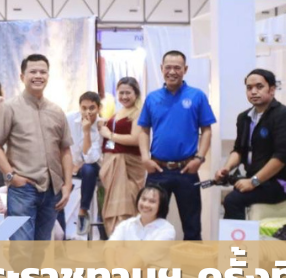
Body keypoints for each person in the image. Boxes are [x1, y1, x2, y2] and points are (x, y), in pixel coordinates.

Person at [0, 54, 73, 241]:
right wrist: (11, 176)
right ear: (22, 76)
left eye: (43, 72)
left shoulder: (57, 111)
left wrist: (67, 185)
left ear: (48, 76)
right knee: (21, 249)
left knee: (40, 249)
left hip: (52, 190)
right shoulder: (9, 108)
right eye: (33, 72)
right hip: (23, 189)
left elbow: (65, 150)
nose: (38, 76)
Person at [138, 50, 215, 241]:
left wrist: (199, 158)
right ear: (161, 68)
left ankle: (192, 260)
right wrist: (145, 158)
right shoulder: (152, 98)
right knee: (150, 223)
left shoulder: (197, 96)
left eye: (177, 68)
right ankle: (151, 260)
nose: (172, 72)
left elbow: (206, 130)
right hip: (157, 170)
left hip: (187, 170)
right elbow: (144, 130)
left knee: (192, 226)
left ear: (185, 69)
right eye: (168, 67)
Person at [215, 69, 286, 220]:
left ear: (272, 89)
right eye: (249, 88)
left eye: (259, 87)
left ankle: (239, 237)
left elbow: (282, 157)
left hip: (281, 183)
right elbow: (238, 150)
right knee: (231, 193)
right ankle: (238, 236)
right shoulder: (244, 118)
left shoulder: (285, 115)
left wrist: (253, 182)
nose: (253, 91)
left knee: (232, 200)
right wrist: (226, 168)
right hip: (258, 179)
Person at [97, 77, 146, 237]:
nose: (124, 96)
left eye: (128, 93)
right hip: (111, 164)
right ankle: (115, 240)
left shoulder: (138, 113)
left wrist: (110, 135)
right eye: (121, 93)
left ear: (136, 94)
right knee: (112, 204)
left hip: (129, 165)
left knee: (128, 205)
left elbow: (135, 139)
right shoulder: (118, 112)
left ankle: (126, 242)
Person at [65, 92, 103, 238]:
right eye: (84, 108)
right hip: (71, 164)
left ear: (98, 108)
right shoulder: (69, 119)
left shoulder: (101, 125)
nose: (88, 112)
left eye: (92, 108)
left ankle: (83, 210)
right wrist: (70, 164)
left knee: (88, 169)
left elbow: (90, 158)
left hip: (92, 166)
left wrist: (86, 132)